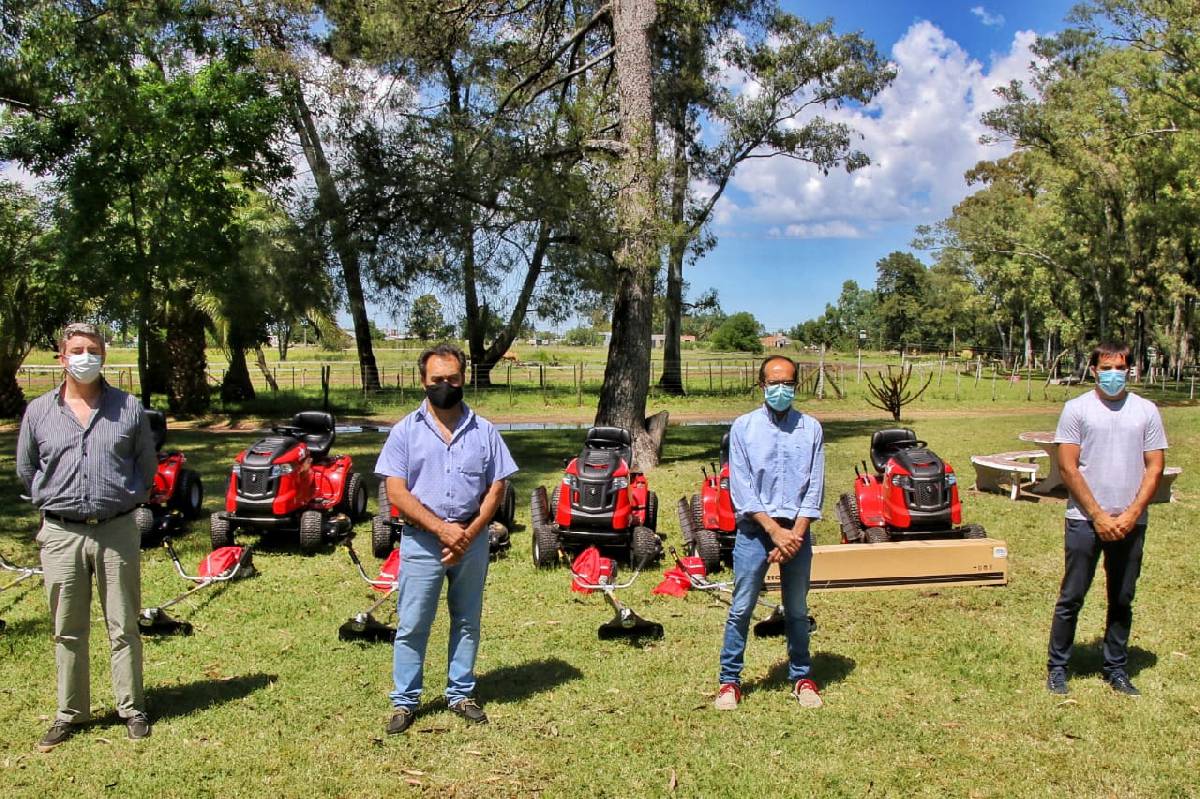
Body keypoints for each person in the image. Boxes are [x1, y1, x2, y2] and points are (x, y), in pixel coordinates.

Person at [16, 322, 157, 752]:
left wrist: (127, 498)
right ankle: (70, 712)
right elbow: (26, 468)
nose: (84, 357)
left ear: (104, 356)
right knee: (67, 627)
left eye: (92, 349)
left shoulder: (128, 408)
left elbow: (146, 466)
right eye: (76, 350)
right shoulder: (39, 411)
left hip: (116, 530)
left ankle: (131, 708)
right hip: (60, 532)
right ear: (62, 358)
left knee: (123, 624)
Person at [375, 343, 518, 734]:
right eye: (437, 380)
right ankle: (405, 701)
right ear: (423, 380)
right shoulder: (405, 431)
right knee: (413, 623)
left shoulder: (485, 432)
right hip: (422, 541)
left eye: (452, 379)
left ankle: (461, 693)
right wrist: (441, 529)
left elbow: (497, 488)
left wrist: (468, 534)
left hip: (471, 542)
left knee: (467, 620)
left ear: (463, 378)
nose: (445, 386)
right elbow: (397, 491)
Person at [1046, 341, 1167, 697]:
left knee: (1122, 597)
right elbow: (1067, 467)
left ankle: (1115, 666)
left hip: (1131, 522)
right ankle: (1058, 667)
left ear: (1130, 369)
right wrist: (1097, 515)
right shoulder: (1076, 409)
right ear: (1094, 370)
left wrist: (1131, 514)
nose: (1114, 374)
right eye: (1106, 368)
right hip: (1084, 520)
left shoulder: (1146, 410)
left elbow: (1155, 466)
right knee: (1072, 596)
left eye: (1120, 368)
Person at [715, 354, 825, 710]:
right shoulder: (743, 428)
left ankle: (802, 676)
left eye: (788, 383)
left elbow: (814, 487)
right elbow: (742, 488)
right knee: (741, 607)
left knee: (796, 609)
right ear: (761, 385)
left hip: (797, 531)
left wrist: (794, 534)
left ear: (796, 385)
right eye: (774, 383)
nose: (781, 389)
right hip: (755, 531)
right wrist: (774, 531)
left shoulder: (811, 429)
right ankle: (729, 682)